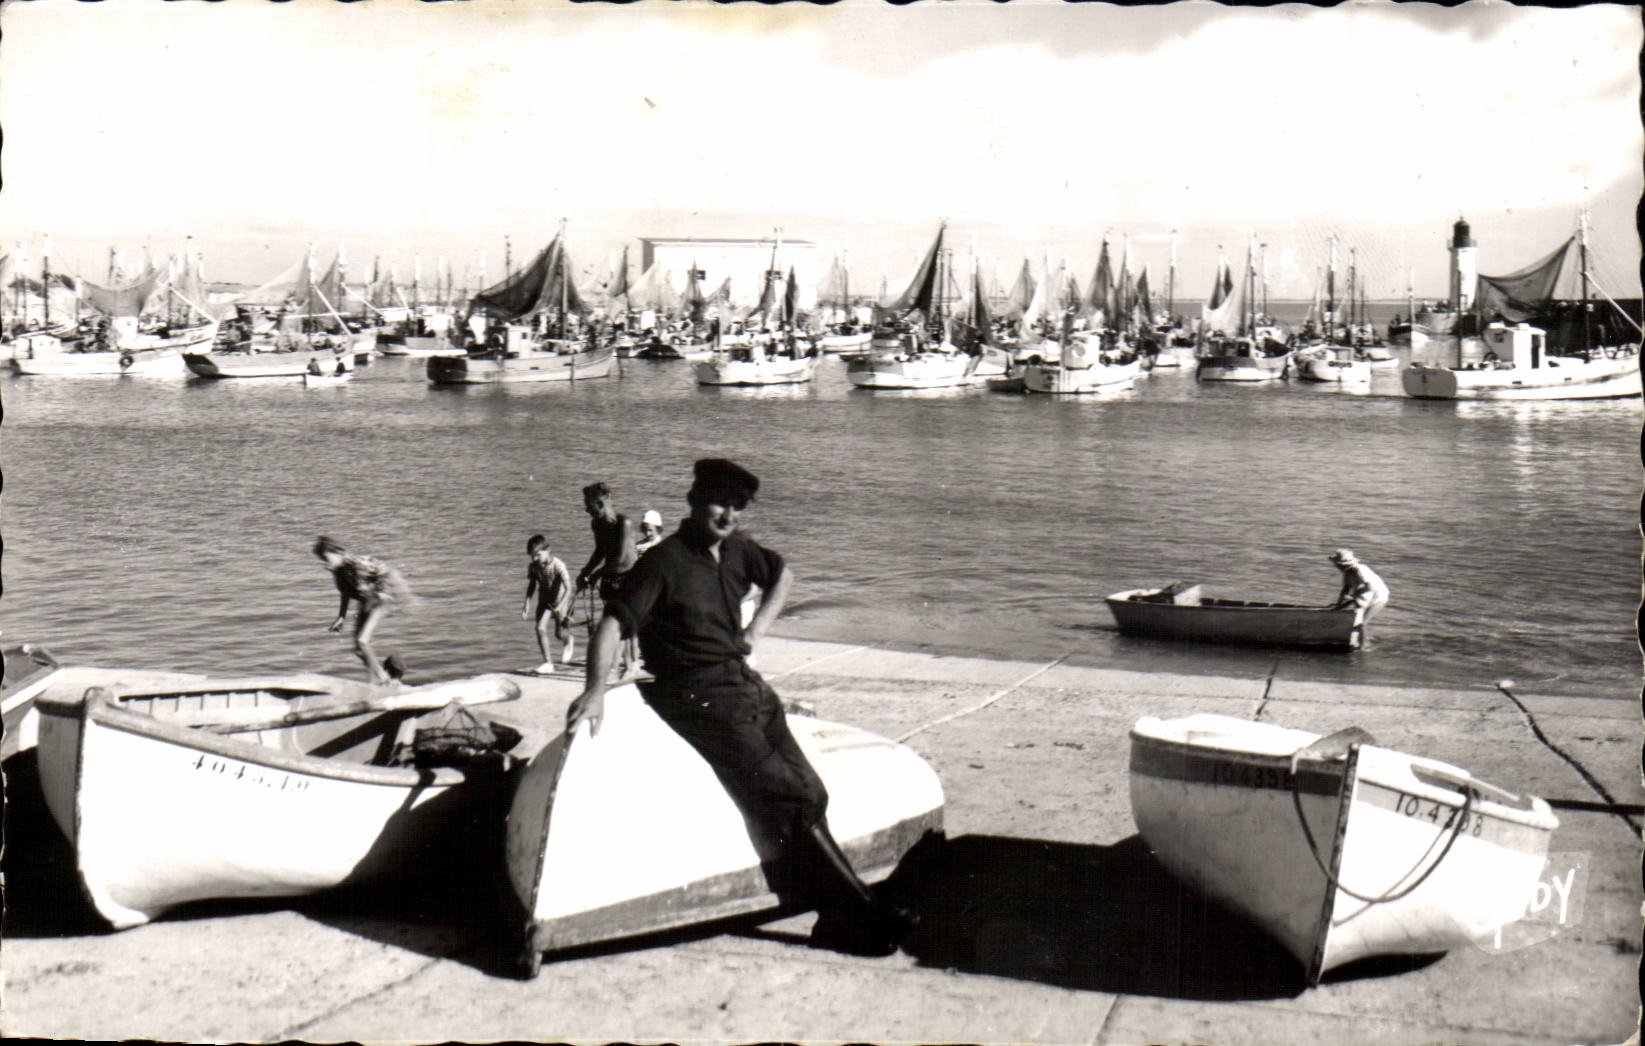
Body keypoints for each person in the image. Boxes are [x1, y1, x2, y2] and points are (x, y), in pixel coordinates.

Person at [565, 458, 917, 957]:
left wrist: (755, 632)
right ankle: (861, 912)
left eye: (737, 506)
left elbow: (783, 575)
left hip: (744, 685)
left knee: (811, 791)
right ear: (694, 500)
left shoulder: (737, 550)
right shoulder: (662, 562)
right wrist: (595, 690)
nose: (728, 515)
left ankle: (837, 913)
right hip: (697, 696)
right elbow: (613, 626)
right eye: (719, 503)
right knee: (789, 797)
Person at [314, 536, 410, 685]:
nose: (325, 563)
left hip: (380, 601)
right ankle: (376, 681)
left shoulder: (357, 564)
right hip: (367, 603)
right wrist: (341, 617)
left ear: (338, 553)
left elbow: (386, 569)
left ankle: (384, 679)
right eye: (322, 559)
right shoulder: (338, 571)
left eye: (326, 558)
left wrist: (389, 592)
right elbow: (345, 592)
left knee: (362, 641)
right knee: (358, 650)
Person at [576, 481, 640, 676]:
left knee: (626, 622)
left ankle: (630, 666)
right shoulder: (596, 524)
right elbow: (600, 551)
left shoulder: (623, 523)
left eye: (589, 506)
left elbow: (620, 558)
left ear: (600, 504)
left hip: (629, 576)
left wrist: (597, 573)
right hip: (609, 576)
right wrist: (586, 571)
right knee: (613, 621)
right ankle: (619, 665)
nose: (586, 510)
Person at [522, 534, 575, 674]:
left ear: (548, 550)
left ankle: (568, 640)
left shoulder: (558, 565)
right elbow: (532, 585)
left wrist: (560, 606)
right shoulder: (534, 567)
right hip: (544, 602)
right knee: (540, 628)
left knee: (559, 634)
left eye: (538, 555)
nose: (534, 559)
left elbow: (569, 589)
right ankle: (548, 663)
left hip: (560, 601)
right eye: (532, 556)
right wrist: (527, 603)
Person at [1329, 548, 1390, 624]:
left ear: (1343, 565)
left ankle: (1359, 628)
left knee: (1362, 623)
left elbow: (1369, 586)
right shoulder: (1347, 573)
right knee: (1355, 621)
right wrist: (1339, 604)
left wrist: (1352, 597)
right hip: (1363, 597)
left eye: (1338, 565)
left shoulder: (1360, 569)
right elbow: (1345, 589)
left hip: (1378, 597)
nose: (1337, 567)